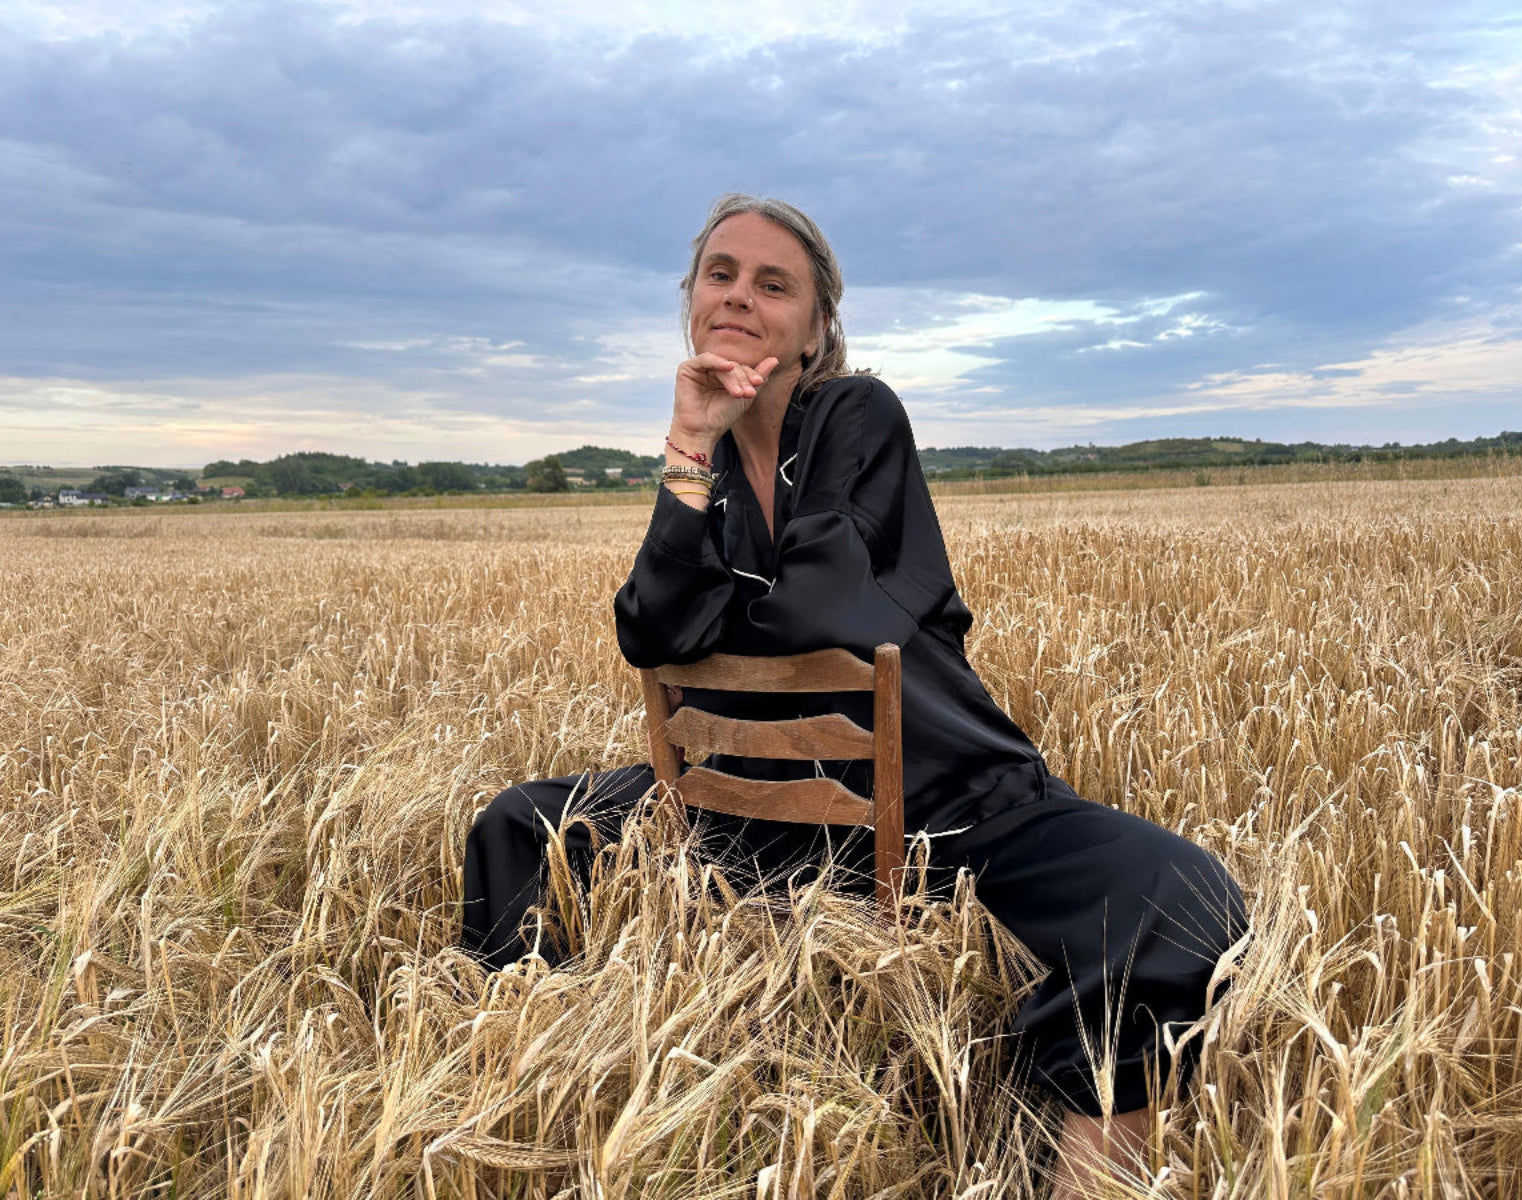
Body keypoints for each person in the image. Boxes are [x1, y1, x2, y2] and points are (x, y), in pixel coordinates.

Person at [462, 193, 1249, 1197]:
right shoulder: (705, 463)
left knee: (1172, 898)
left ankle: (1087, 1170)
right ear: (689, 302)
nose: (739, 295)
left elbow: (822, 608)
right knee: (518, 826)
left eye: (772, 283)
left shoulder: (855, 412)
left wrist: (718, 602)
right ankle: (529, 1105)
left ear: (818, 325)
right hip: (741, 794)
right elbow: (647, 634)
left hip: (933, 790)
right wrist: (688, 447)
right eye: (720, 274)